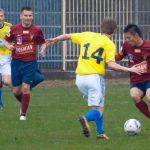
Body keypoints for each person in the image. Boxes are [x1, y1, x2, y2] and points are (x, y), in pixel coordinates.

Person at [46, 18, 142, 139]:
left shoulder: (87, 35)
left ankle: (100, 133)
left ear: (101, 28)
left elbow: (67, 36)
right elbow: (111, 64)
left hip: (79, 79)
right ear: (114, 31)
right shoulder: (109, 44)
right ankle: (85, 118)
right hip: (94, 78)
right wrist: (130, 69)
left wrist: (55, 39)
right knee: (98, 110)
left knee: (98, 105)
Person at [5, 6, 46, 120]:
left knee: (25, 87)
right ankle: (24, 103)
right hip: (16, 63)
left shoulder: (37, 30)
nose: (28, 18)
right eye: (26, 15)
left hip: (30, 63)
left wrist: (42, 49)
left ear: (32, 16)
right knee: (15, 91)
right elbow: (6, 41)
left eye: (30, 16)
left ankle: (23, 115)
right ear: (21, 16)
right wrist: (9, 46)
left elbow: (43, 42)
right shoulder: (14, 29)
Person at [115, 24, 150, 119]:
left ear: (136, 35)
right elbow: (118, 57)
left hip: (149, 79)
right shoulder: (126, 46)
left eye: (128, 38)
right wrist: (107, 54)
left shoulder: (148, 46)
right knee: (134, 95)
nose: (127, 40)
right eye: (125, 38)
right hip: (136, 81)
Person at [0, 8, 12, 109]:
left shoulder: (9, 27)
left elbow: (15, 40)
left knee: (7, 82)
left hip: (6, 58)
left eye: (1, 16)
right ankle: (0, 104)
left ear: (4, 16)